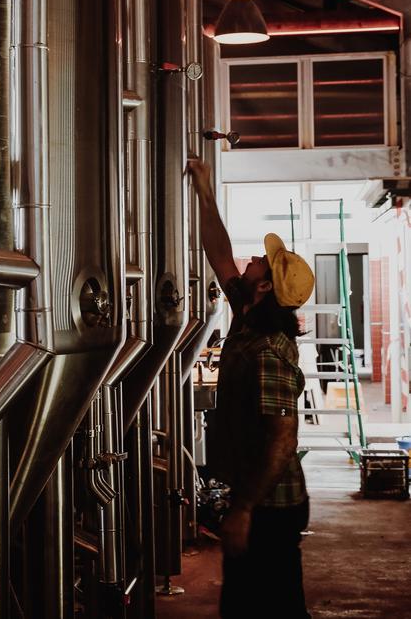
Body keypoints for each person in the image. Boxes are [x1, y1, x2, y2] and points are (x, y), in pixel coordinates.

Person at [187, 156, 315, 619]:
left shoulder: (268, 352)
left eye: (265, 263)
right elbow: (220, 254)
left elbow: (283, 442)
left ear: (263, 290)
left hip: (271, 507)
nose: (257, 258)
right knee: (243, 602)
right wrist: (204, 193)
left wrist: (243, 508)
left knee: (270, 606)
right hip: (257, 499)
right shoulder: (247, 315)